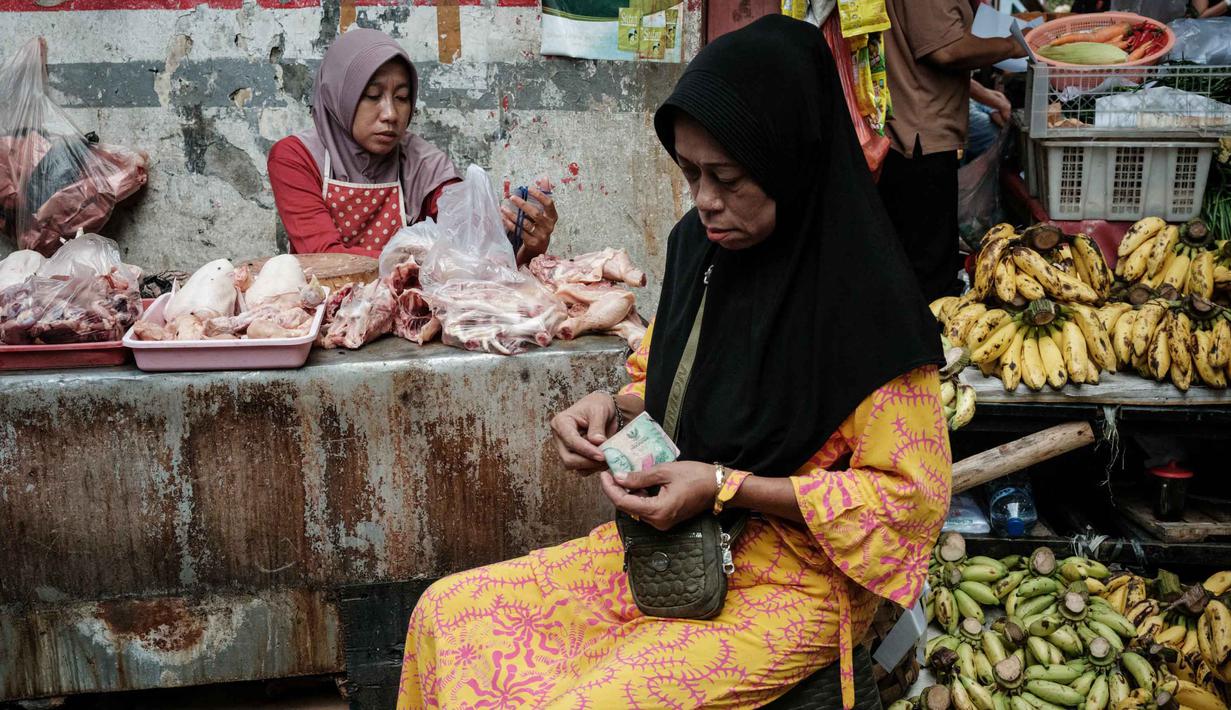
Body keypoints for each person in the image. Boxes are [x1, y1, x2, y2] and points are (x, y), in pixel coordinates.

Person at [396, 16, 952, 708]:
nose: (705, 201)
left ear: (792, 160)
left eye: (728, 177)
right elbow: (666, 387)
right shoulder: (702, 250)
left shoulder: (870, 307)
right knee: (447, 615)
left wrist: (728, 484)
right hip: (679, 552)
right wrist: (611, 410)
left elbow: (907, 500)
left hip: (793, 583)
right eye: (689, 173)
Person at [267, 29, 557, 263]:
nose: (390, 114)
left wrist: (525, 243)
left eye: (402, 97)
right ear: (339, 97)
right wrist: (424, 255)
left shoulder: (424, 165)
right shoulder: (296, 158)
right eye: (371, 95)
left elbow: (471, 252)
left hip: (406, 315)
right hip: (325, 317)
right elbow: (325, 258)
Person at [879, 0, 1027, 301]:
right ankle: (927, 339)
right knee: (929, 274)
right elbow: (946, 49)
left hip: (914, 130)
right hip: (919, 136)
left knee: (918, 262)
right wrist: (1015, 45)